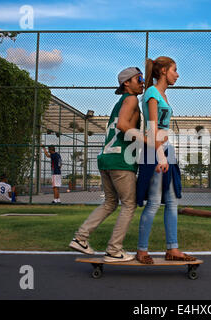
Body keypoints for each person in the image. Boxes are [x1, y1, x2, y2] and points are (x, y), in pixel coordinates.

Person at [69, 67, 144, 262]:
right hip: (120, 160)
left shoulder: (120, 102)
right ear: (126, 83)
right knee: (129, 204)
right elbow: (123, 126)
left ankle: (80, 238)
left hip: (106, 159)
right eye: (139, 78)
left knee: (110, 203)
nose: (142, 81)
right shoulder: (131, 99)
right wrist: (148, 139)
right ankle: (114, 249)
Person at [136, 56, 197, 264]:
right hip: (155, 150)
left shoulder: (163, 94)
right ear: (163, 71)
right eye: (175, 70)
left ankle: (173, 249)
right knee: (153, 202)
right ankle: (142, 251)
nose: (177, 74)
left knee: (172, 201)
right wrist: (160, 155)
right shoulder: (152, 93)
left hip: (165, 149)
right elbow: (152, 128)